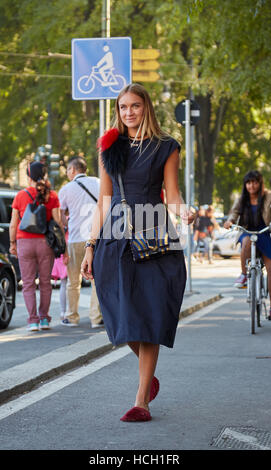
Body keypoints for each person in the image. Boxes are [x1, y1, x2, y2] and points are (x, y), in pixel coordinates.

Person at [81, 83, 195, 422]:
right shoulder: (109, 146)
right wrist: (90, 246)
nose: (128, 112)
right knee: (120, 314)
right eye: (123, 107)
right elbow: (103, 200)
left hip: (154, 233)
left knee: (149, 315)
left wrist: (183, 210)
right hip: (115, 235)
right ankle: (149, 379)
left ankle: (141, 399)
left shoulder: (166, 147)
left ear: (146, 107)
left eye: (135, 106)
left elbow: (171, 194)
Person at [9, 161, 67, 331]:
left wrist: (12, 244)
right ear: (44, 175)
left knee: (27, 283)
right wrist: (62, 245)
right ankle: (44, 319)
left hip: (24, 243)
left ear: (29, 177)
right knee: (45, 283)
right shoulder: (52, 196)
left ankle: (33, 321)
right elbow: (57, 223)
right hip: (45, 244)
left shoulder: (20, 195)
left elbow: (13, 224)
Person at [224, 170, 271, 320]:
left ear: (260, 183)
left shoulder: (269, 196)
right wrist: (230, 222)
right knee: (246, 240)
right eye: (248, 182)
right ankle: (244, 275)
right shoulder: (241, 199)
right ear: (245, 185)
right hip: (247, 231)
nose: (251, 186)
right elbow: (233, 213)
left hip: (265, 234)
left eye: (254, 182)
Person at [58, 156, 102, 328]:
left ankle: (72, 316)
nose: (68, 173)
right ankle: (96, 318)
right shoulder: (98, 183)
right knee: (95, 281)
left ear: (73, 170)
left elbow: (61, 217)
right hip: (95, 237)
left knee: (73, 281)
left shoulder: (66, 189)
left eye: (68, 170)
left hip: (76, 238)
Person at [51, 229, 69, 320]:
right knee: (71, 283)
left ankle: (64, 312)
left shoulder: (59, 216)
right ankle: (67, 311)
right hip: (68, 245)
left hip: (61, 247)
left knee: (64, 283)